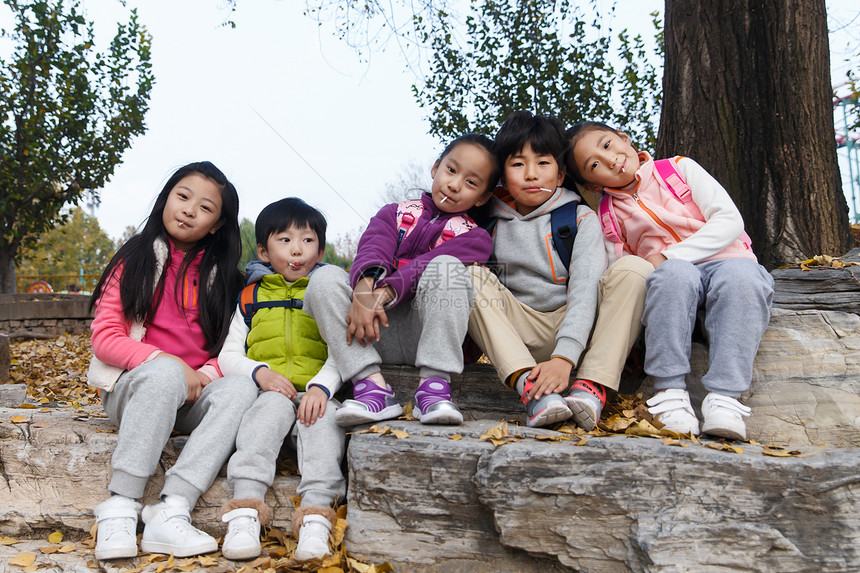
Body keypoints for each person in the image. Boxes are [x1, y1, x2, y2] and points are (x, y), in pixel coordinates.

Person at [87, 162, 259, 560]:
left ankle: (172, 508)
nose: (188, 210)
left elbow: (230, 349)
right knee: (164, 374)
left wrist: (202, 374)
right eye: (182, 197)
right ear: (166, 198)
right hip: (134, 391)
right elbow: (106, 338)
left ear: (217, 224)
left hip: (194, 393)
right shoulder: (135, 259)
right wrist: (168, 363)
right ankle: (121, 507)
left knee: (239, 386)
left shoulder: (227, 280)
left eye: (205, 207)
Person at [566, 121, 773, 440]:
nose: (610, 159)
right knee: (674, 275)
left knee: (742, 278)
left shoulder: (677, 169)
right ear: (592, 185)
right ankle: (670, 395)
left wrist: (668, 255)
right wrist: (629, 335)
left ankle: (725, 399)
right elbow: (620, 275)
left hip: (727, 259)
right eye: (595, 164)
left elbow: (729, 220)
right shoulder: (607, 213)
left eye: (607, 145)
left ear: (624, 138)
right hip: (671, 282)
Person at [303, 133, 500, 426]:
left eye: (471, 182)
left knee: (446, 268)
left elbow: (425, 265)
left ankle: (433, 389)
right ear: (436, 168)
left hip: (425, 333)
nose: (455, 184)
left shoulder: (476, 237)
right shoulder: (394, 213)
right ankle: (371, 385)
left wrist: (380, 295)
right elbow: (374, 248)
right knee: (324, 278)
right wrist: (363, 288)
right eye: (451, 170)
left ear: (483, 197)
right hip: (370, 333)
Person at [217, 197, 346, 561]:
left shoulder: (324, 293)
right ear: (263, 249)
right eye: (285, 240)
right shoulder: (250, 297)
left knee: (323, 423)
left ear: (320, 249)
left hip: (314, 392)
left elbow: (342, 350)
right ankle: (245, 511)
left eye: (307, 241)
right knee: (265, 416)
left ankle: (316, 517)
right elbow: (228, 356)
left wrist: (321, 387)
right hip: (269, 393)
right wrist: (260, 373)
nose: (297, 250)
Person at [466, 111, 606, 429]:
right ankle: (532, 391)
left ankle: (586, 384)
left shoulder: (580, 219)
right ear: (502, 175)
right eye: (518, 164)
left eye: (543, 163)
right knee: (464, 276)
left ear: (559, 174)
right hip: (520, 330)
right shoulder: (487, 223)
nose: (531, 174)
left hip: (572, 329)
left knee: (622, 276)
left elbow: (585, 293)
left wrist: (564, 357)